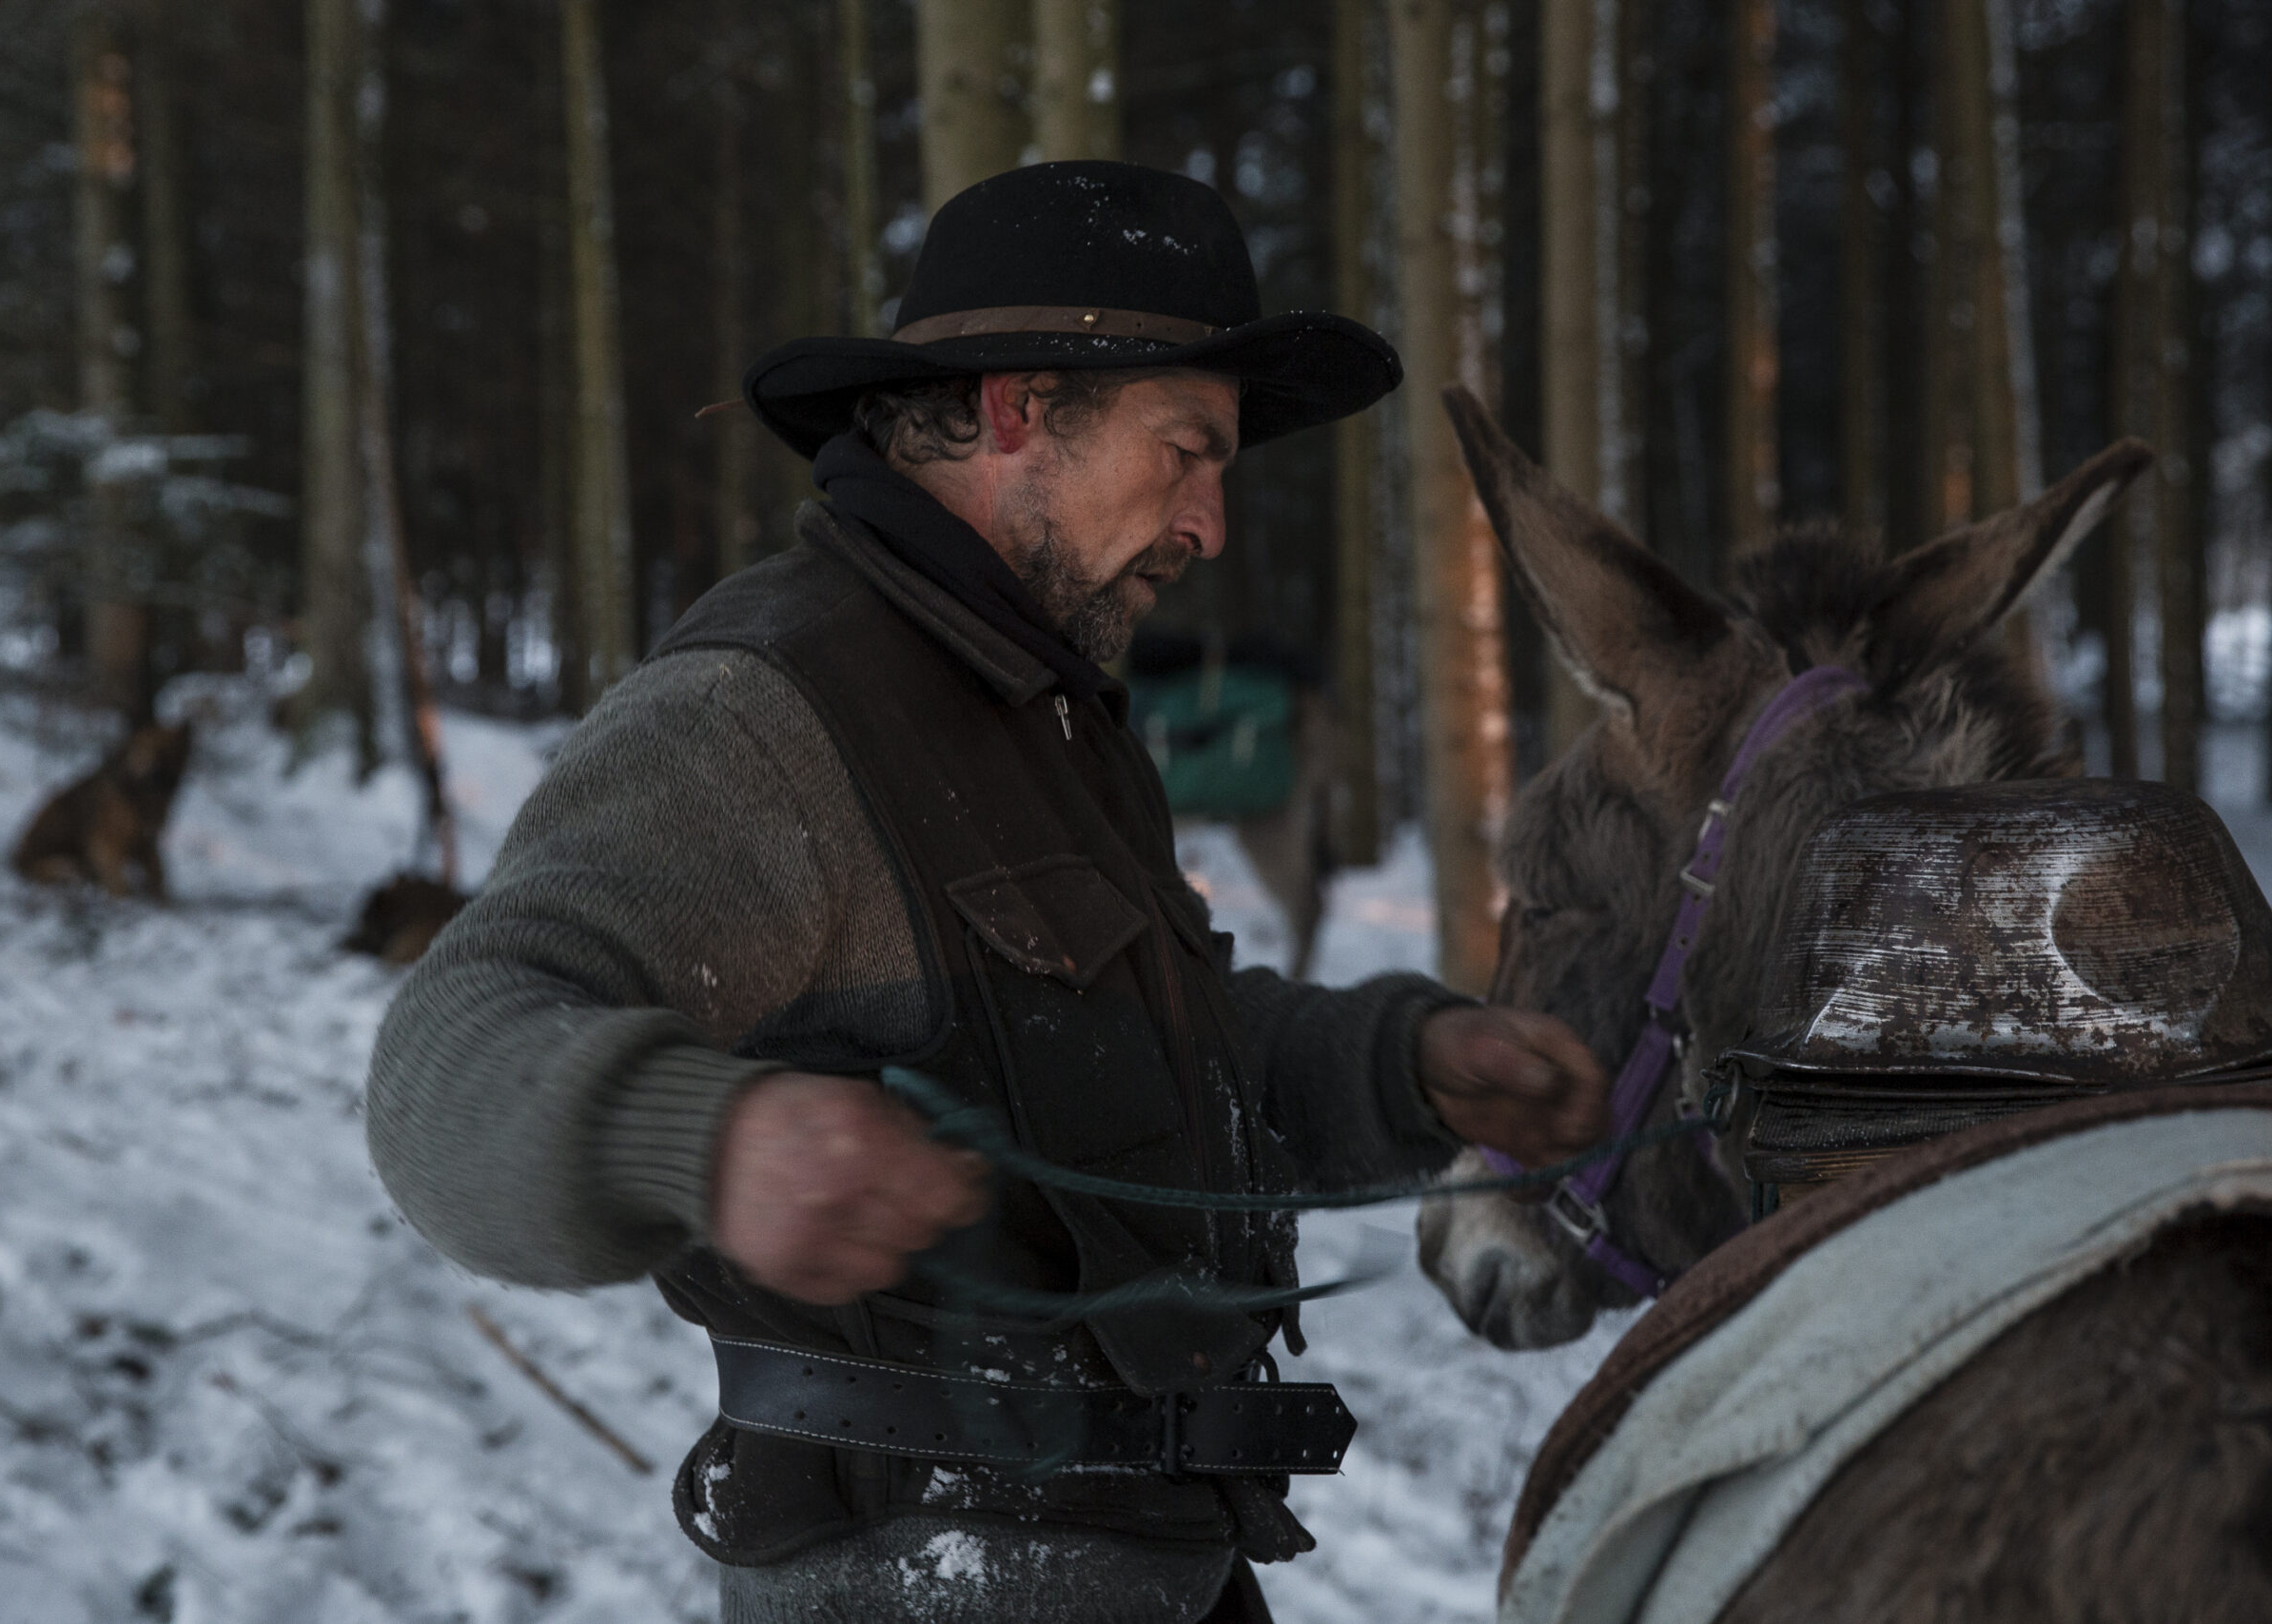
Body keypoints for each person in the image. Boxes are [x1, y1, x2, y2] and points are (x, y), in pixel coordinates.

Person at [364, 161, 1607, 1624]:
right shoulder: (772, 707)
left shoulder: (1044, 710)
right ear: (1022, 408)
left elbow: (1147, 1071)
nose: (1208, 523)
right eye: (1187, 450)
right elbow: (442, 1063)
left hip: (1166, 1577)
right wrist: (708, 1139)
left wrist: (1406, 1065)